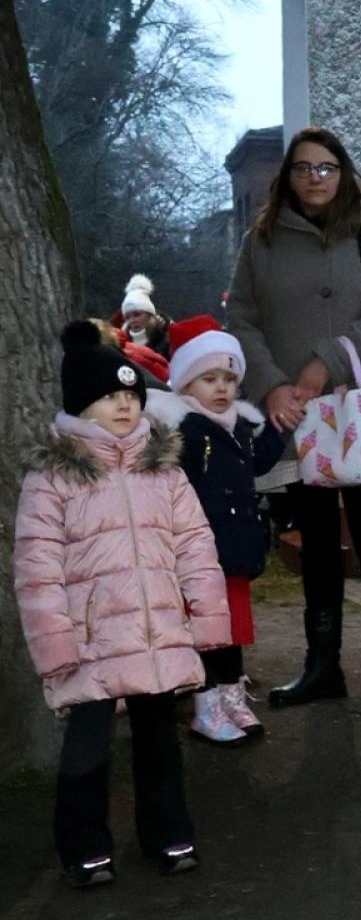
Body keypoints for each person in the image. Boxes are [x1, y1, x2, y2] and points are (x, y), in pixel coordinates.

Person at [13, 322, 230, 887]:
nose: (124, 407)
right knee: (87, 752)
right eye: (111, 397)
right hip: (92, 643)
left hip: (157, 636)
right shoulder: (54, 477)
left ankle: (168, 835)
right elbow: (37, 570)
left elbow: (196, 547)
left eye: (132, 397)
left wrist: (207, 620)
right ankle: (84, 849)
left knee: (160, 744)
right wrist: (56, 644)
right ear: (82, 404)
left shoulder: (163, 469)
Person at [228, 127, 361, 717]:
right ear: (288, 176)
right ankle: (322, 664)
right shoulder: (260, 241)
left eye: (326, 167)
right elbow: (244, 319)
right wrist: (275, 384)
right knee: (315, 538)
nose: (315, 178)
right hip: (293, 410)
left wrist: (323, 364)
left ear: (343, 172)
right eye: (303, 168)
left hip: (356, 402)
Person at [146, 319, 284, 745]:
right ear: (187, 383)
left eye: (229, 379)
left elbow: (258, 464)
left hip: (236, 549)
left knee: (233, 630)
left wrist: (280, 428)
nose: (222, 388)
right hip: (199, 554)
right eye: (209, 378)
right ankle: (205, 707)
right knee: (205, 633)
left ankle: (231, 697)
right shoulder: (182, 430)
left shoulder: (237, 426)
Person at [118, 273, 170, 358]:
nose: (132, 320)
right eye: (127, 317)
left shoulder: (165, 337)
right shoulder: (120, 342)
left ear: (150, 314)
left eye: (137, 314)